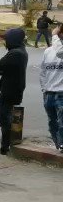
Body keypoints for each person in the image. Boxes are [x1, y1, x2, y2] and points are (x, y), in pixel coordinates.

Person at [0, 28, 28, 155]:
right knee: (9, 117)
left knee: (4, 118)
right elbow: (4, 68)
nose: (5, 42)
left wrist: (2, 69)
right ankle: (8, 144)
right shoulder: (20, 51)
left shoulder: (15, 53)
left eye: (7, 39)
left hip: (9, 91)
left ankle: (5, 146)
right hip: (15, 89)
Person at [40, 25, 63, 153]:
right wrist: (44, 89)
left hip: (61, 93)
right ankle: (58, 144)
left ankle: (62, 145)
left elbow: (60, 52)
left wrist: (54, 35)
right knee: (52, 122)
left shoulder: (61, 51)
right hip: (49, 93)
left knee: (62, 123)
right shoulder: (48, 51)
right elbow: (43, 72)